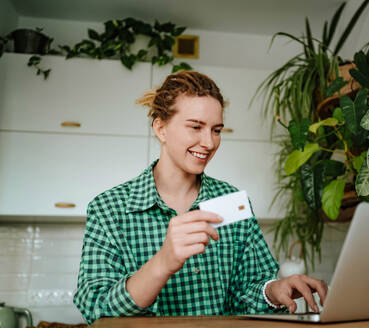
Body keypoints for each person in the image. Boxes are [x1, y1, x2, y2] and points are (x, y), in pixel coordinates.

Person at [73, 71, 328, 324]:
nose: (208, 142)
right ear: (161, 128)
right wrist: (163, 263)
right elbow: (95, 309)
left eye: (216, 130)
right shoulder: (109, 209)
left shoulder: (232, 201)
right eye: (196, 127)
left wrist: (273, 291)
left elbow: (248, 290)